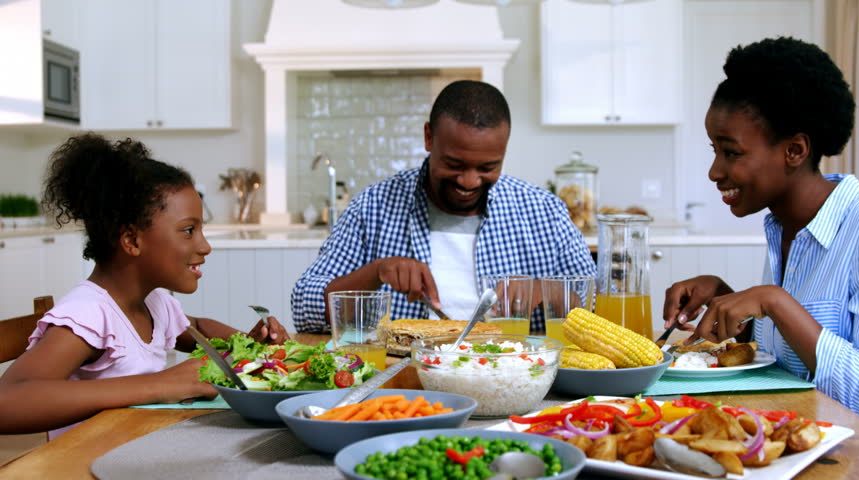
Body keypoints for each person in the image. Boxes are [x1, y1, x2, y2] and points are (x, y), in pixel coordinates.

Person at [663, 37, 859, 442]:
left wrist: (774, 301)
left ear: (794, 150)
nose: (714, 171)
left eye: (731, 153)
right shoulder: (781, 227)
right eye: (715, 150)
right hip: (805, 443)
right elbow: (791, 362)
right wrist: (728, 301)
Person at [0, 133, 290, 437]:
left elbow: (198, 330)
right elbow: (7, 401)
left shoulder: (154, 304)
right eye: (189, 231)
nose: (205, 247)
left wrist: (251, 346)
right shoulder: (89, 315)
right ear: (131, 240)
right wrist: (158, 385)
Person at [293, 80, 595, 333]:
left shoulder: (544, 211)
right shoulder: (372, 207)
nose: (469, 181)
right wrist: (377, 271)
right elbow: (304, 307)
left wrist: (551, 290)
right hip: (403, 384)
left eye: (488, 167)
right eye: (454, 164)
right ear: (428, 137)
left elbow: (598, 304)